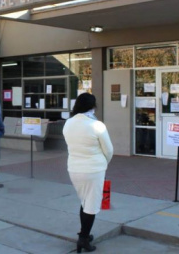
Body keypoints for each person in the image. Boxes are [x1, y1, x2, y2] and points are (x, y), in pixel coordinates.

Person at [62, 93, 113, 253]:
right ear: (92, 106)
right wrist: (104, 163)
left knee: (85, 202)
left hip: (74, 168)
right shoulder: (97, 125)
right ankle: (83, 239)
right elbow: (109, 150)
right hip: (93, 170)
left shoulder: (68, 123)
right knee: (91, 205)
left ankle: (85, 233)